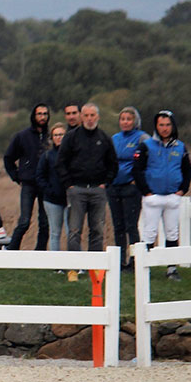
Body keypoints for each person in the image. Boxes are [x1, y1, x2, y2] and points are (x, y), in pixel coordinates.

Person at [56, 102, 117, 282]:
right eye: (86, 115)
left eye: (93, 115)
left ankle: (95, 269)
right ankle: (73, 269)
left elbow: (113, 164)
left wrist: (105, 183)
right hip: (77, 191)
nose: (89, 119)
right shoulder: (71, 137)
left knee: (97, 230)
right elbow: (61, 162)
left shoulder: (105, 138)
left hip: (98, 191)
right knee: (74, 230)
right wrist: (69, 185)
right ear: (82, 117)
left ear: (97, 117)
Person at [133, 110, 191, 281]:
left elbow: (187, 170)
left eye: (168, 125)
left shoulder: (180, 147)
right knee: (149, 233)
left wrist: (182, 191)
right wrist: (146, 192)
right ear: (156, 126)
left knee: (172, 232)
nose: (165, 128)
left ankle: (171, 268)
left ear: (172, 126)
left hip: (172, 197)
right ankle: (145, 268)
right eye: (161, 125)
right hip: (153, 197)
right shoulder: (146, 145)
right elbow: (137, 170)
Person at [2, 103, 50, 251]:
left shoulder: (51, 136)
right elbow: (8, 158)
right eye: (39, 114)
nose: (42, 117)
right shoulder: (22, 136)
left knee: (45, 222)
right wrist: (17, 176)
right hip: (28, 183)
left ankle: (40, 252)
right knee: (24, 221)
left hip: (46, 184)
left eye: (45, 114)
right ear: (33, 116)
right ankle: (12, 249)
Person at [109, 107, 149, 270]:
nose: (125, 122)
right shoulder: (114, 138)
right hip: (114, 187)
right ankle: (119, 262)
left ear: (135, 121)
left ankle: (135, 261)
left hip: (131, 188)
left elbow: (148, 162)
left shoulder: (142, 138)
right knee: (118, 226)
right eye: (122, 119)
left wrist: (137, 181)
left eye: (128, 119)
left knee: (131, 226)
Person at [36, 122, 70, 266]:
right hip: (52, 200)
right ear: (52, 138)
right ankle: (56, 265)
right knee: (55, 233)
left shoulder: (72, 154)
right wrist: (49, 190)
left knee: (71, 233)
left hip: (70, 199)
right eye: (55, 135)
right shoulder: (47, 156)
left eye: (61, 134)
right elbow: (39, 176)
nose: (58, 138)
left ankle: (74, 264)